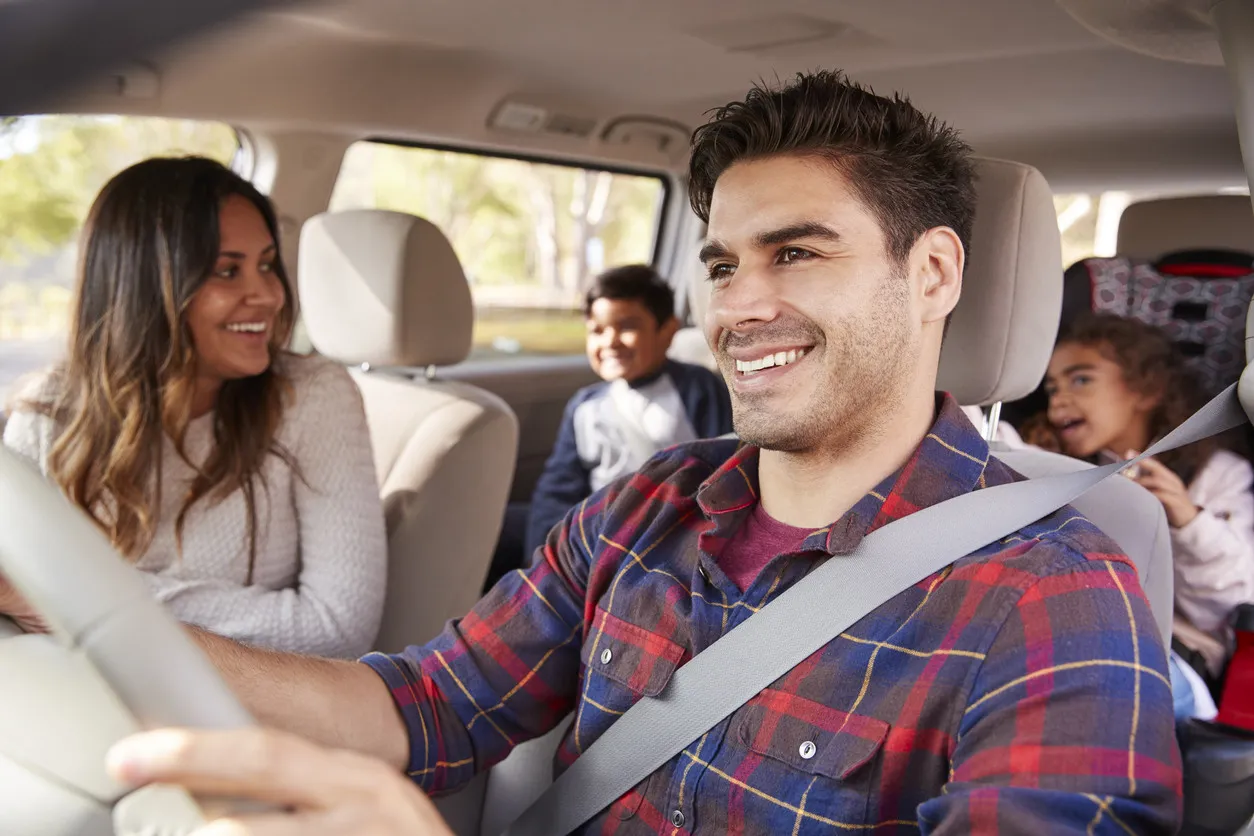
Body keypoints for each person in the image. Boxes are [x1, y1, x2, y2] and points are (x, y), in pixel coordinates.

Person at [100, 71, 1178, 834]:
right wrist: (103, 618)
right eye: (722, 263)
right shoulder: (646, 508)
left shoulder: (1052, 596)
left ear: (934, 274)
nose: (740, 308)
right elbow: (424, 705)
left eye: (797, 252)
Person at [1, 156, 387, 658]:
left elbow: (338, 628)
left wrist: (92, 600)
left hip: (253, 718)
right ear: (143, 290)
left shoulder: (311, 396)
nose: (269, 294)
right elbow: (15, 602)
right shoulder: (47, 418)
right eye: (228, 271)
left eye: (267, 265)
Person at [486, 264, 732, 588]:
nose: (610, 341)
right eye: (597, 330)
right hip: (594, 526)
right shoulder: (585, 404)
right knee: (491, 525)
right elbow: (558, 485)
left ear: (667, 331)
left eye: (627, 326)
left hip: (665, 527)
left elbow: (723, 470)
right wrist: (542, 557)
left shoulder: (696, 388)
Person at [1043, 313, 1254, 688]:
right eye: (1051, 389)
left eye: (1081, 380)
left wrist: (1189, 521)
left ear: (1146, 389)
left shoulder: (1215, 474)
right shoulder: (1053, 470)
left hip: (1176, 652)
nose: (1060, 399)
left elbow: (1235, 601)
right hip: (1070, 630)